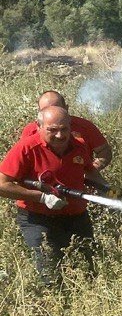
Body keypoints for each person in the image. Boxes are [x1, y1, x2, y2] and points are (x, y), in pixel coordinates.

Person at [0, 106, 105, 284]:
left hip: (77, 217)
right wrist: (42, 197)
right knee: (50, 275)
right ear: (39, 126)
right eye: (52, 130)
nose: (60, 135)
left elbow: (90, 172)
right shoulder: (26, 148)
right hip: (38, 219)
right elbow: (2, 185)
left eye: (64, 129)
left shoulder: (78, 146)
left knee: (88, 272)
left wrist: (106, 189)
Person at [20, 90, 112, 171]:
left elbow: (104, 151)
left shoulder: (85, 126)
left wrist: (89, 172)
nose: (52, 112)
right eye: (46, 110)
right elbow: (22, 160)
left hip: (78, 187)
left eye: (57, 108)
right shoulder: (31, 130)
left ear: (66, 108)